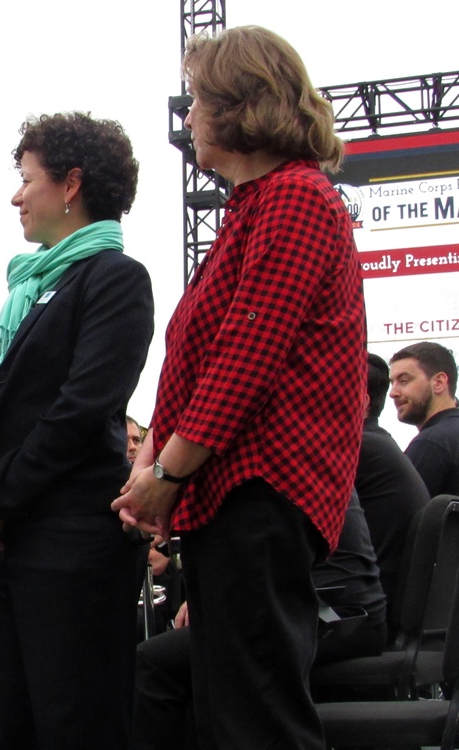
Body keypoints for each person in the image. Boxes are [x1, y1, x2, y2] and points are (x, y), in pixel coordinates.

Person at [113, 26, 366, 750]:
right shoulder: (255, 209)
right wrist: (152, 467)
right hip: (235, 494)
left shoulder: (295, 200)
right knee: (232, 713)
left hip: (262, 492)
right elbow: (197, 362)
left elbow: (243, 360)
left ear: (240, 104)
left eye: (197, 99)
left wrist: (164, 472)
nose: (186, 115)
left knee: (257, 719)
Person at [0, 111, 154, 749]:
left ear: (71, 185)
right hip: (9, 543)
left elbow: (81, 408)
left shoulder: (116, 279)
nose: (16, 195)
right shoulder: (29, 288)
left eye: (26, 178)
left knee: (75, 725)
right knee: (5, 727)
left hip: (70, 546)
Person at [132, 492, 386, 750]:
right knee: (200, 660)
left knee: (157, 661)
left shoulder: (267, 476)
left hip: (329, 609)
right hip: (344, 604)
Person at [356, 352, 429, 637]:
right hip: (396, 615)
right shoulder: (380, 444)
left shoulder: (355, 451)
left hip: (371, 618)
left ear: (359, 401)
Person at [389, 341, 459, 497]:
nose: (393, 392)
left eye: (404, 381)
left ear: (439, 382)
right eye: (392, 383)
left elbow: (406, 513)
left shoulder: (432, 442)